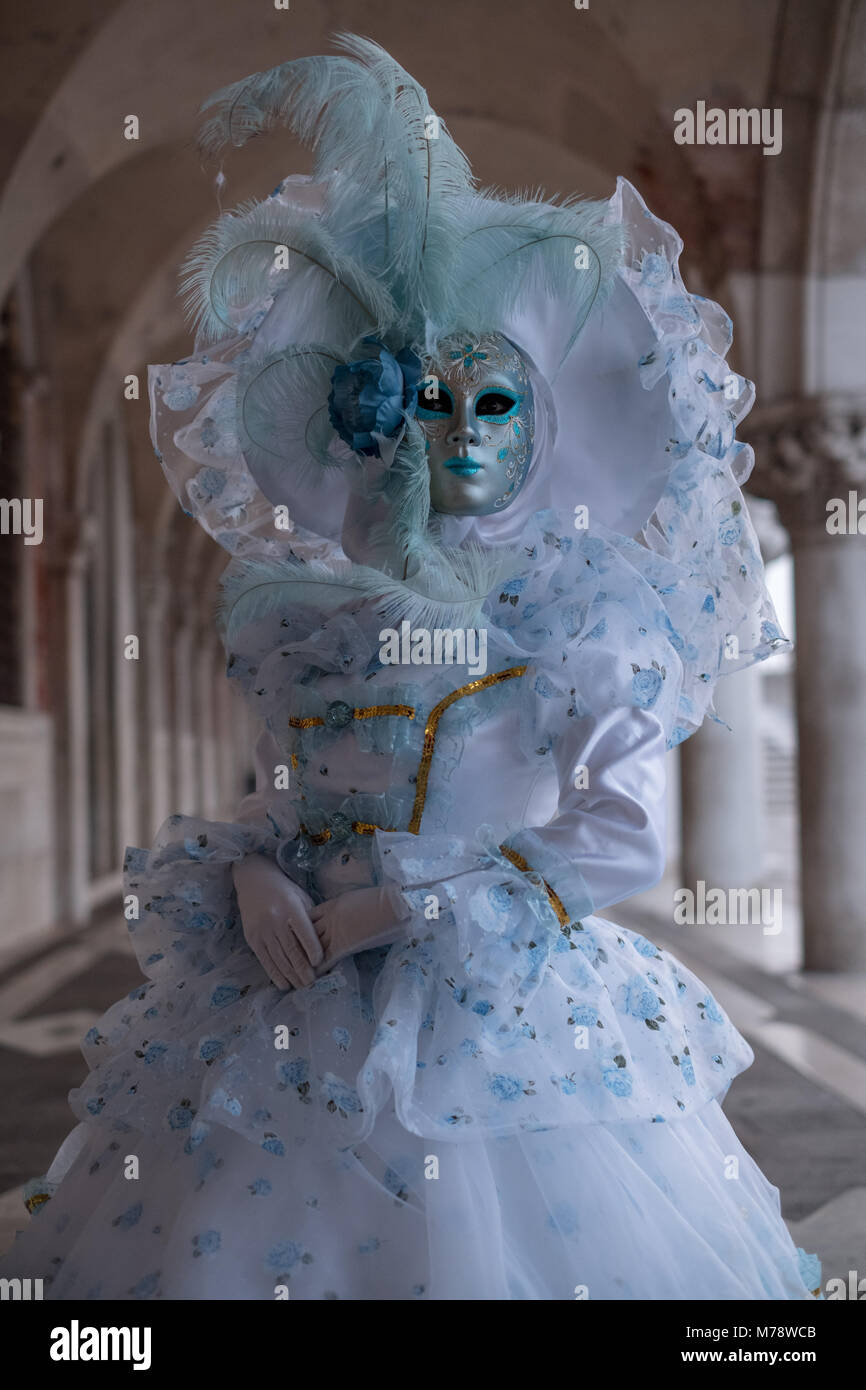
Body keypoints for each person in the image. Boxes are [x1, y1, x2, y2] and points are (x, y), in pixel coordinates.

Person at [0, 35, 819, 1300]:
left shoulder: (577, 609)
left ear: (544, 414)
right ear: (375, 422)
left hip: (503, 1017)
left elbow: (615, 832)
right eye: (428, 406)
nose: (463, 435)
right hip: (289, 1008)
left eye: (493, 403)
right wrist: (263, 872)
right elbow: (297, 792)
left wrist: (405, 907)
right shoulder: (311, 619)